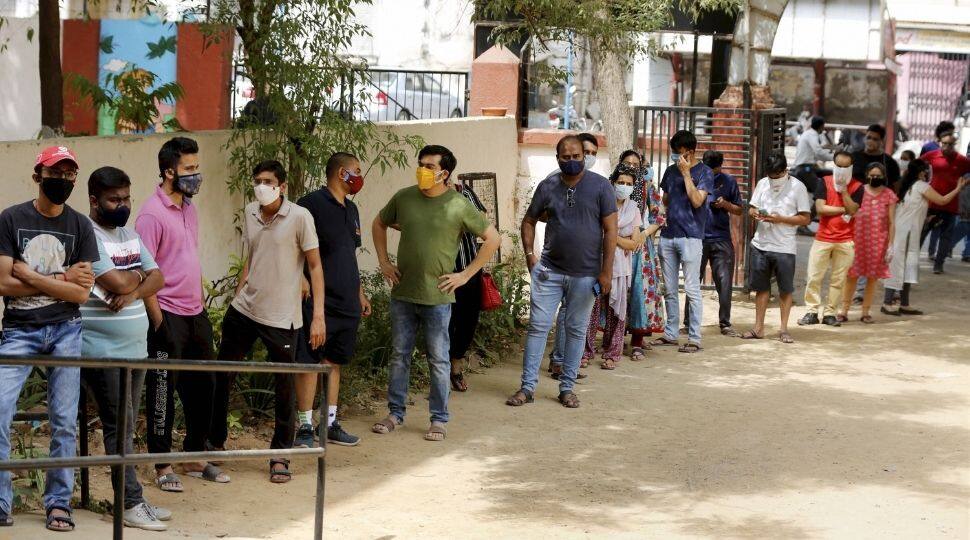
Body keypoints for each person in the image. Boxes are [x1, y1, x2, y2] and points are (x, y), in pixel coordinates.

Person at [0, 146, 99, 532]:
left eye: (70, 174)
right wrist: (62, 279)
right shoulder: (11, 219)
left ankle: (58, 502)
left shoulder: (80, 226)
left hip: (66, 329)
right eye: (56, 172)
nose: (63, 180)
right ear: (38, 173)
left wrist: (33, 276)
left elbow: (81, 294)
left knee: (64, 420)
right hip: (18, 330)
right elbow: (2, 283)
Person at [372, 145, 499, 441]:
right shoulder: (404, 197)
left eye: (430, 166)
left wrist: (465, 275)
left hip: (438, 297)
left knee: (439, 360)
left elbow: (492, 238)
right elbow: (379, 222)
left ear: (445, 173)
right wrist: (384, 262)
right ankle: (395, 413)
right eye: (421, 164)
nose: (423, 170)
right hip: (403, 292)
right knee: (399, 356)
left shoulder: (458, 204)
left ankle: (439, 419)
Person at [212, 160, 325, 482]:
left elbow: (315, 267)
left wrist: (317, 317)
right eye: (258, 180)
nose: (262, 186)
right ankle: (214, 443)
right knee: (222, 374)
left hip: (282, 316)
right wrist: (237, 293)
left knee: (284, 386)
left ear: (283, 186)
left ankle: (280, 455)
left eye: (268, 181)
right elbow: (253, 256)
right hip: (245, 308)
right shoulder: (250, 211)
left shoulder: (300, 217)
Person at [79, 166, 171, 530]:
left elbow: (158, 277)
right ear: (94, 200)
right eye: (114, 200)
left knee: (128, 425)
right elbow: (113, 280)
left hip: (135, 348)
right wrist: (135, 277)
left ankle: (132, 497)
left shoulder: (130, 235)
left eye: (126, 198)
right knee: (118, 425)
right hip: (102, 350)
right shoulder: (86, 235)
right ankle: (129, 503)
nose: (122, 205)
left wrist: (133, 290)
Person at [135, 136, 228, 492]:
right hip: (167, 314)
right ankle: (161, 464)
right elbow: (145, 272)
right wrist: (158, 321)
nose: (196, 175)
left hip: (195, 312)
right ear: (169, 171)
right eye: (189, 169)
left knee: (204, 387)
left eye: (197, 167)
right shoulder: (150, 214)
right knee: (162, 391)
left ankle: (193, 455)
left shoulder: (190, 208)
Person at [506, 135, 617, 409]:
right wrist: (530, 256)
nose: (571, 161)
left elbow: (611, 231)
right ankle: (527, 387)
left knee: (576, 331)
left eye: (576, 156)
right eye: (565, 157)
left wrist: (606, 272)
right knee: (538, 328)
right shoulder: (548, 186)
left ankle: (567, 388)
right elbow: (529, 220)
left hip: (586, 275)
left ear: (585, 156)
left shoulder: (601, 187)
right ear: (558, 159)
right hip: (549, 272)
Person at [294, 153, 371, 448]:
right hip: (318, 304)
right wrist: (299, 277)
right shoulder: (309, 205)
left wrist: (360, 293)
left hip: (347, 303)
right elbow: (293, 246)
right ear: (341, 173)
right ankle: (304, 427)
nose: (359, 177)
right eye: (356, 172)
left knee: (334, 363)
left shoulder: (352, 210)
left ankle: (329, 424)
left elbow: (349, 255)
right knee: (310, 361)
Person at [651, 130, 713, 353]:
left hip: (691, 237)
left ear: (691, 152)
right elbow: (666, 199)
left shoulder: (705, 172)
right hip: (668, 235)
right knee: (669, 289)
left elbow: (697, 201)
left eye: (679, 154)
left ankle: (694, 338)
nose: (676, 158)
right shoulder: (669, 171)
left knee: (692, 289)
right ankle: (670, 334)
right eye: (674, 154)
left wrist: (687, 174)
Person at [741, 152, 811, 343]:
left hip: (784, 247)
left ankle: (783, 329)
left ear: (785, 171)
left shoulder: (798, 187)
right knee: (761, 289)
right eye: (771, 176)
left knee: (785, 290)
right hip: (760, 244)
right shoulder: (763, 183)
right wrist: (756, 214)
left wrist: (781, 219)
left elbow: (806, 218)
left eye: (777, 176)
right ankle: (758, 328)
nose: (774, 179)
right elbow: (751, 207)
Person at [883, 159, 968, 315]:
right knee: (901, 265)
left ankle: (904, 303)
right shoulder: (922, 186)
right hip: (907, 233)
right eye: (927, 170)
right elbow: (942, 200)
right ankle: (887, 303)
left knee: (906, 265)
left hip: (903, 231)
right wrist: (958, 189)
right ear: (922, 172)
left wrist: (927, 219)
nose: (929, 173)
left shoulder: (906, 186)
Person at [547, 132, 601, 374]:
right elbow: (537, 215)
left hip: (585, 263)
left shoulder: (597, 184)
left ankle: (566, 363)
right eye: (583, 153)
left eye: (591, 154)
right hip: (558, 262)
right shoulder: (554, 181)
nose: (586, 158)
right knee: (563, 312)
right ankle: (560, 360)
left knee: (575, 316)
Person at [582, 167, 641, 370]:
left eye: (628, 184)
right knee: (591, 309)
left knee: (616, 313)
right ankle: (585, 352)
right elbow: (591, 234)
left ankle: (612, 352)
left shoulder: (634, 209)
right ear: (613, 183)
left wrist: (610, 235)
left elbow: (634, 244)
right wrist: (618, 239)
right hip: (596, 264)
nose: (624, 187)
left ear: (634, 187)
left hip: (621, 269)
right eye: (621, 182)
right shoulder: (601, 204)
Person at [798, 151, 863, 327]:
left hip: (846, 240)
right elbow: (820, 209)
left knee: (838, 279)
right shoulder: (824, 182)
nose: (841, 170)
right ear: (834, 165)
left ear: (851, 167)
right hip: (823, 238)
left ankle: (830, 313)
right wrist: (845, 210)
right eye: (838, 166)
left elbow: (854, 207)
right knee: (813, 276)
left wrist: (843, 193)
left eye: (845, 167)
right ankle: (811, 311)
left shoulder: (858, 186)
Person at [684, 150, 743, 336]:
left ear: (720, 166)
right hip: (697, 237)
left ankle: (725, 323)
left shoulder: (729, 181)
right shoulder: (695, 178)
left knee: (724, 282)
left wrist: (724, 204)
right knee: (693, 282)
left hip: (721, 238)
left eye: (714, 170)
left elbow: (739, 210)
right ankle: (688, 322)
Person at [838, 163, 897, 324]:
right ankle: (844, 311)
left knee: (872, 277)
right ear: (866, 174)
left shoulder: (889, 194)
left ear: (884, 177)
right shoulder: (859, 190)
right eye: (872, 175)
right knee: (851, 275)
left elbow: (892, 222)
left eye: (878, 175)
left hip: (878, 241)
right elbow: (848, 212)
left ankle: (865, 312)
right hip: (857, 239)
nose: (875, 178)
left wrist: (891, 245)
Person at [623, 151, 665, 361]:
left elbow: (659, 216)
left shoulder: (648, 188)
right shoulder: (613, 186)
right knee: (618, 290)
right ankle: (613, 339)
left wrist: (643, 234)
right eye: (626, 163)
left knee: (640, 291)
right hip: (617, 243)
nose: (631, 166)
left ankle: (637, 341)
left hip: (641, 247)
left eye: (635, 163)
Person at [448, 179, 489, 392]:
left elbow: (482, 219)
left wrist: (458, 222)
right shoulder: (421, 196)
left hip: (467, 269)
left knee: (467, 321)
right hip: (438, 273)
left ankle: (456, 365)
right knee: (443, 322)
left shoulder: (463, 191)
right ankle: (438, 369)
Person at [919, 132, 970, 274]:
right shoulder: (933, 155)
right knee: (923, 232)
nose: (946, 146)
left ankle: (938, 265)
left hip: (951, 205)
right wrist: (921, 180)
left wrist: (965, 183)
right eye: (944, 143)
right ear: (940, 142)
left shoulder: (961, 160)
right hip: (932, 202)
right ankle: (911, 260)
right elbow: (916, 164)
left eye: (950, 144)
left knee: (945, 237)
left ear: (955, 145)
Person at [792, 115, 834, 193]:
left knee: (831, 173)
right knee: (819, 191)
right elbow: (818, 152)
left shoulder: (809, 133)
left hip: (809, 167)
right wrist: (834, 158)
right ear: (822, 126)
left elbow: (817, 152)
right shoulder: (812, 135)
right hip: (804, 168)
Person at [851, 124, 901, 189]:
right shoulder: (854, 157)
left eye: (875, 139)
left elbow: (896, 185)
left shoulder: (889, 162)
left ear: (881, 142)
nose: (870, 141)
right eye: (868, 137)